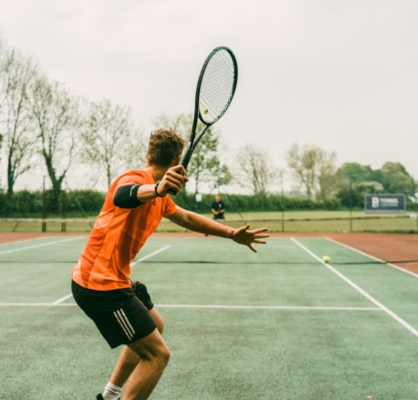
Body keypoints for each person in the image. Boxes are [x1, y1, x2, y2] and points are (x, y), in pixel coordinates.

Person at [71, 128, 270, 400]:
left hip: (110, 279)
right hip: (98, 287)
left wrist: (231, 233)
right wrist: (156, 187)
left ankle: (109, 395)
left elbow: (187, 218)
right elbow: (122, 195)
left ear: (148, 153)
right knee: (158, 356)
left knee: (156, 326)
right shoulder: (135, 180)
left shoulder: (160, 198)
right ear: (179, 159)